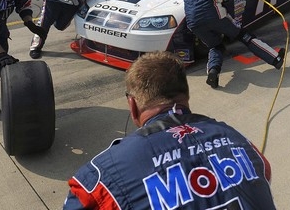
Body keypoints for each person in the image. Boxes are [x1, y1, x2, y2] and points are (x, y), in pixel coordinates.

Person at [63, 51, 277, 209]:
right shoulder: (238, 140)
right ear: (186, 95)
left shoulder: (104, 174)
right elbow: (264, 176)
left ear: (132, 105)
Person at [182, 0, 284, 89]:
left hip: (192, 22)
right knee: (243, 35)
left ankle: (213, 72)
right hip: (214, 14)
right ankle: (275, 59)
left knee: (215, 45)